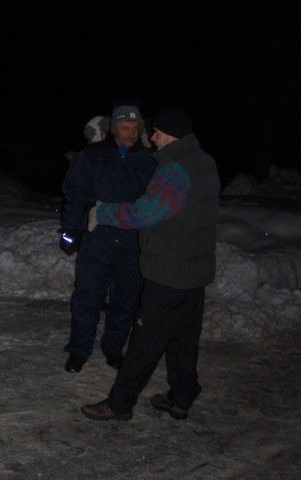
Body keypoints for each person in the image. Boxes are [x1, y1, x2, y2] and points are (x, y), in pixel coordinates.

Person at [81, 107, 220, 421]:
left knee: (144, 342)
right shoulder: (204, 161)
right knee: (183, 339)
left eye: (156, 132)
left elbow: (146, 212)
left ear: (170, 135)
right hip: (194, 270)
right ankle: (181, 396)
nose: (152, 137)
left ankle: (119, 404)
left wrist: (102, 212)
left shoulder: (174, 170)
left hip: (168, 271)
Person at [60, 104, 156, 373]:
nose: (131, 133)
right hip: (97, 240)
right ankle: (79, 350)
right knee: (87, 298)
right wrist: (70, 230)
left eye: (135, 128)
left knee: (126, 300)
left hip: (132, 243)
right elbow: (76, 194)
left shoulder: (149, 160)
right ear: (113, 129)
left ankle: (114, 348)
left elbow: (155, 204)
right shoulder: (93, 156)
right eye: (125, 128)